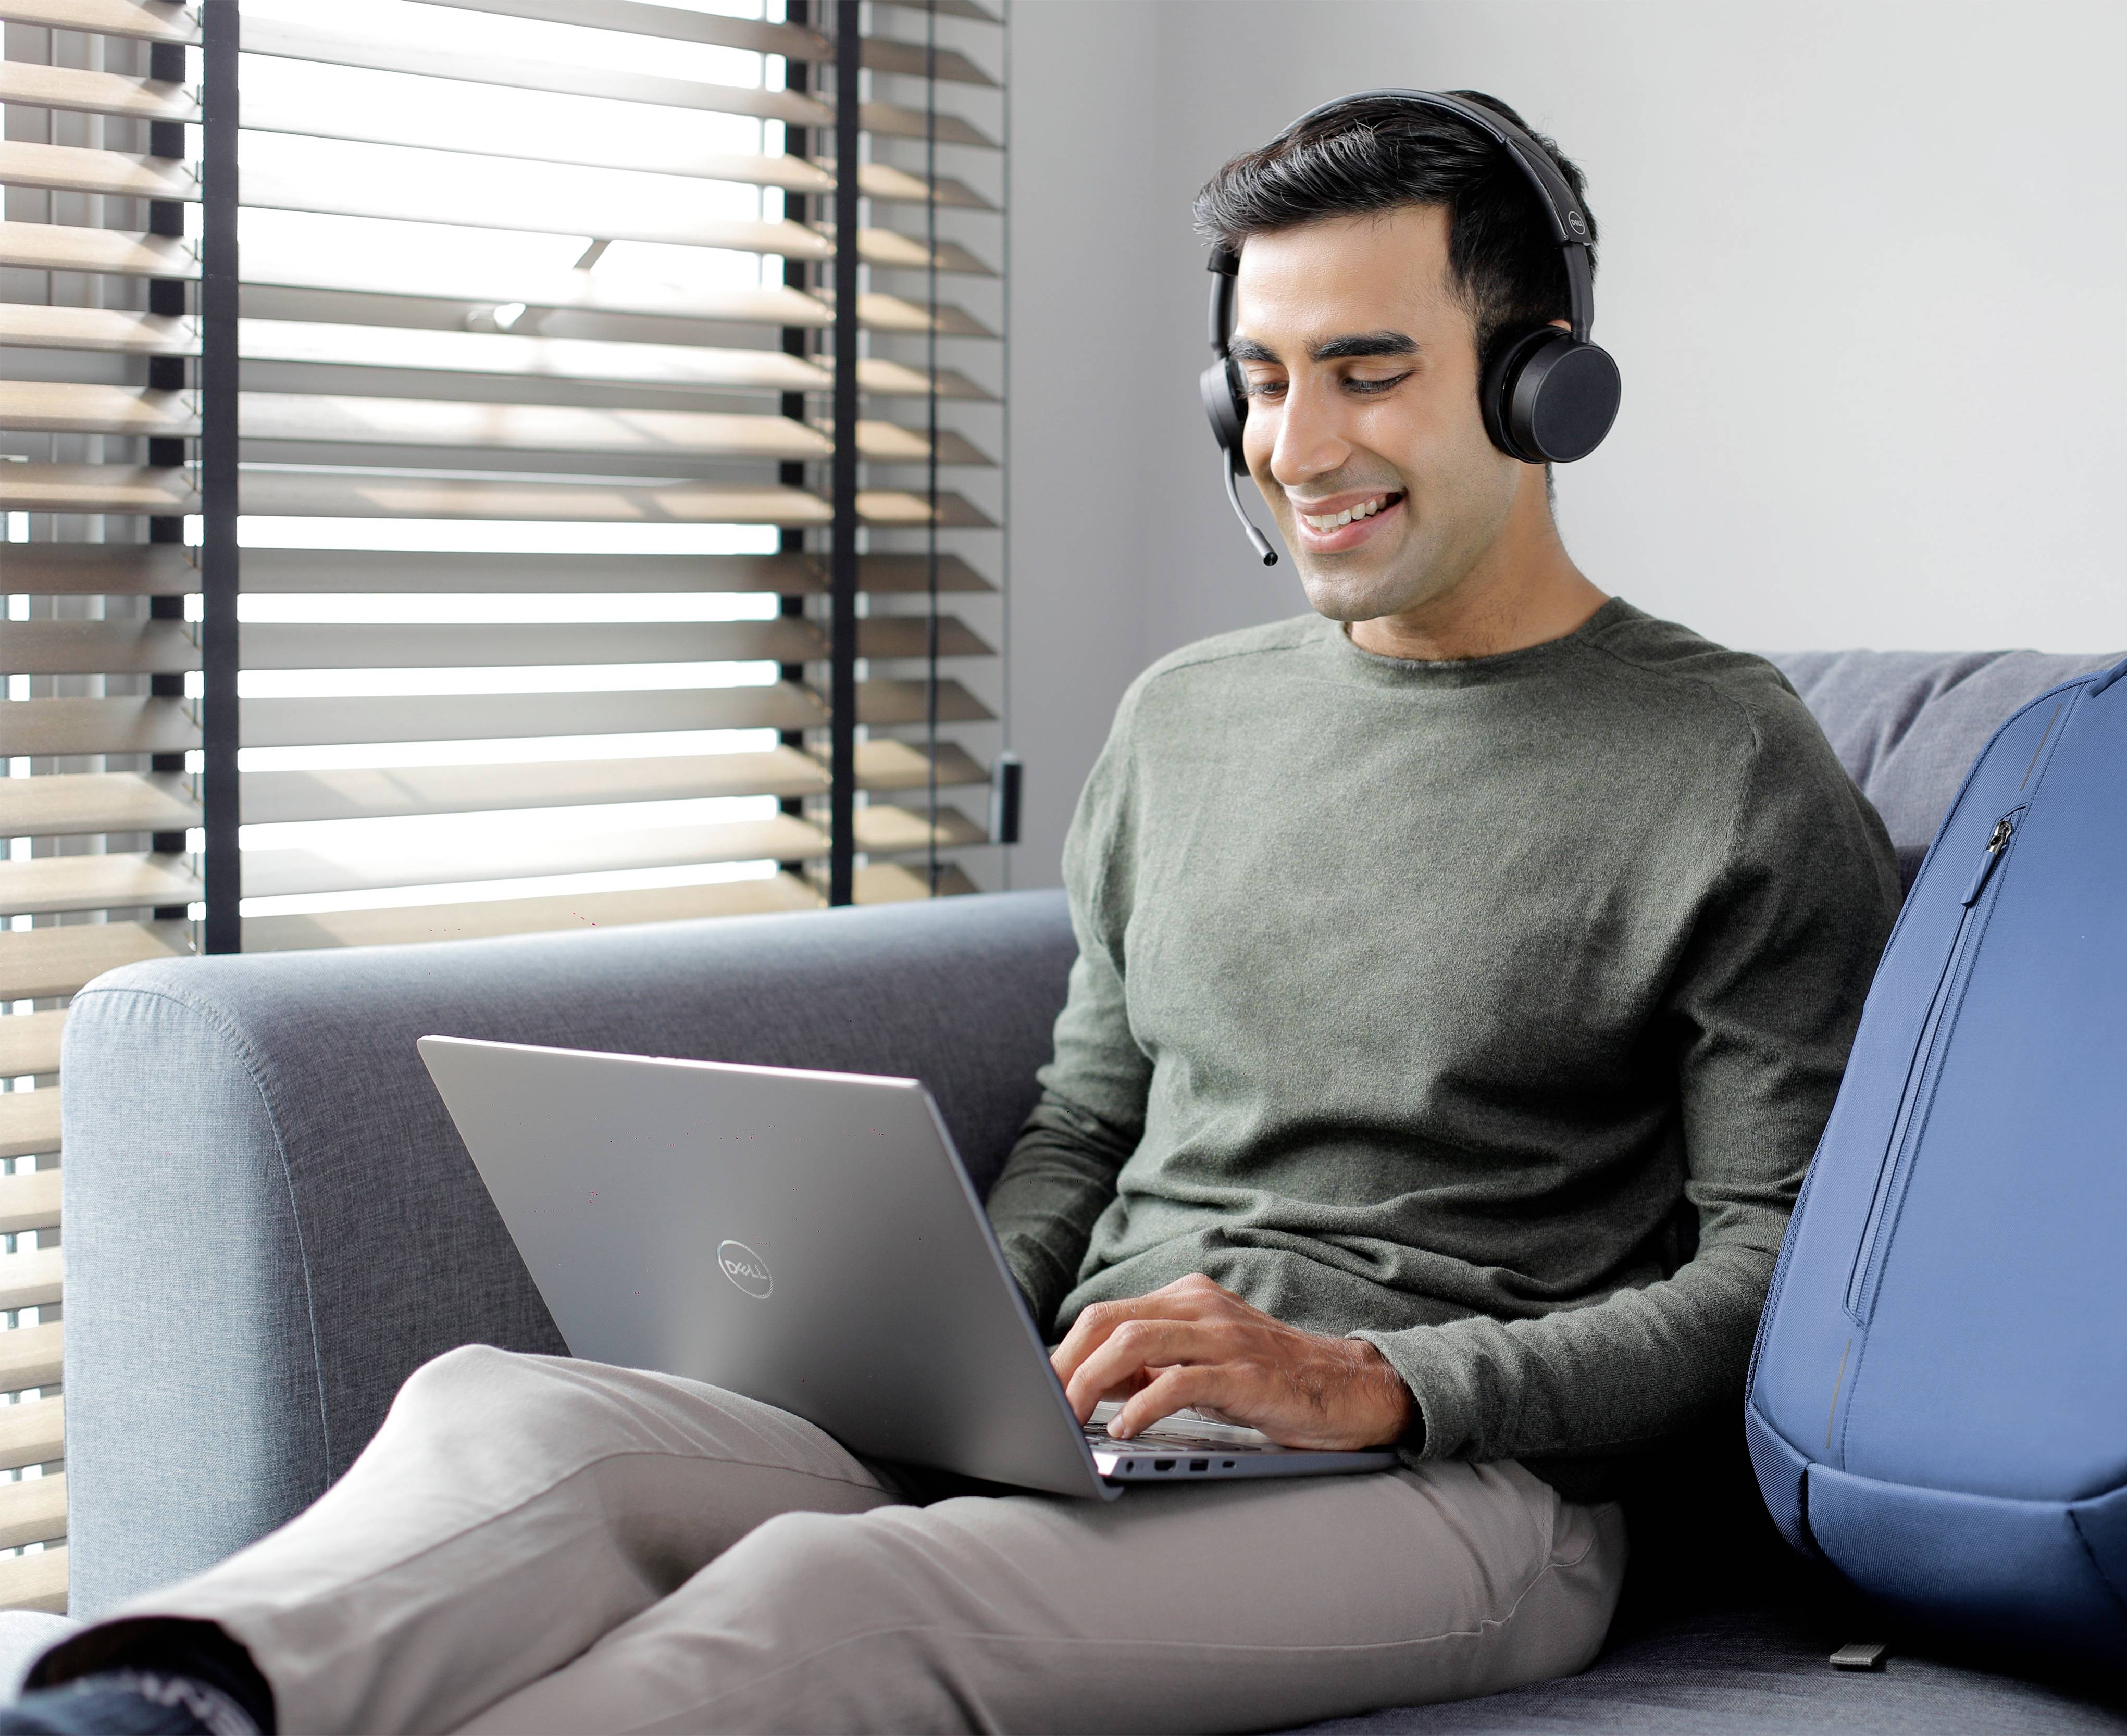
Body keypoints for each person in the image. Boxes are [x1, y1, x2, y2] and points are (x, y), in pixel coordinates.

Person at [3, 90, 1900, 1736]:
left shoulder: (1723, 765)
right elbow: (1086, 1117)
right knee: (512, 1416)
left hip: (1472, 1494)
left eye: (1370, 371)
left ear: (1541, 373)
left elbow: (1776, 1278)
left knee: (827, 1611)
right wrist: (952, 1327)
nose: (1297, 446)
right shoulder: (1188, 721)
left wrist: (1372, 1387)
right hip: (1084, 1413)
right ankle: (148, 1706)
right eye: (1259, 377)